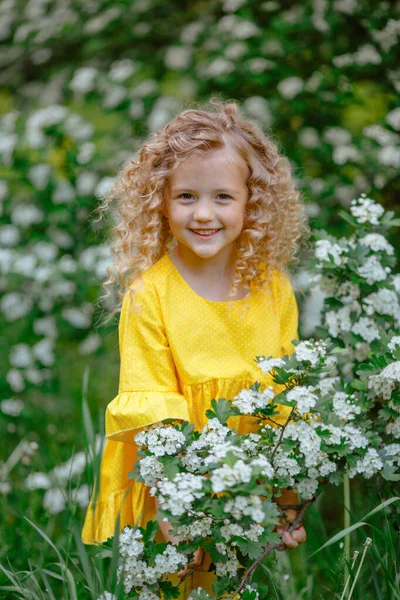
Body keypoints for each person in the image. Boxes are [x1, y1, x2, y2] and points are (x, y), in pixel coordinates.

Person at [82, 98, 309, 595]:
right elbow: (152, 405)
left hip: (248, 488)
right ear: (159, 201)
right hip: (175, 484)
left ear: (254, 202)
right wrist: (173, 506)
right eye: (186, 196)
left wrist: (286, 501)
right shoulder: (152, 295)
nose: (203, 214)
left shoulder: (273, 288)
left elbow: (285, 399)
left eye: (223, 197)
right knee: (176, 589)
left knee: (234, 587)